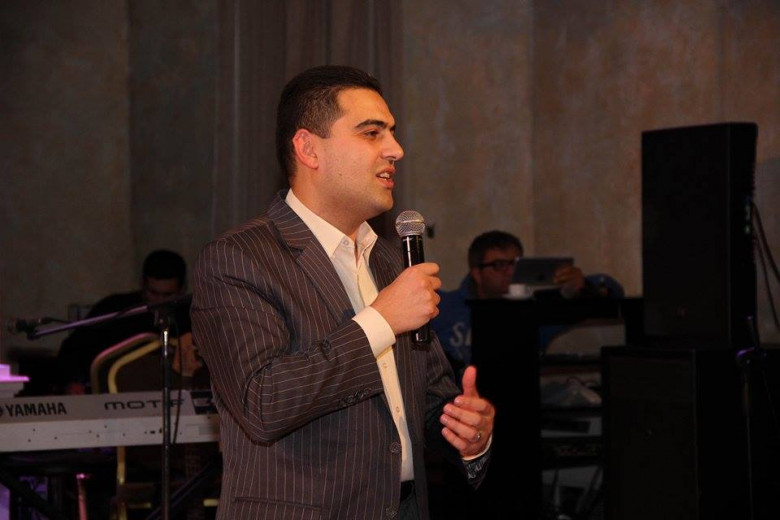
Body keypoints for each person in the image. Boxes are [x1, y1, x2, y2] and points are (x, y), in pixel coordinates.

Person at [190, 65, 495, 520]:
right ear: (308, 148)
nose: (395, 150)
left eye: (392, 132)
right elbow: (263, 402)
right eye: (372, 133)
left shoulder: (389, 261)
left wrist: (468, 434)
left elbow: (427, 401)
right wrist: (380, 321)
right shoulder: (238, 258)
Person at [433, 230, 624, 375]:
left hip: (520, 403)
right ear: (477, 273)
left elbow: (613, 291)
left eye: (516, 264)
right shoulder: (448, 308)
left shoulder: (531, 312)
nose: (510, 272)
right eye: (499, 265)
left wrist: (585, 287)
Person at [57, 249, 202, 395]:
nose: (160, 301)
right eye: (153, 293)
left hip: (180, 397)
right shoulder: (116, 309)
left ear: (182, 290)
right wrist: (73, 382)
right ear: (142, 284)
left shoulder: (195, 316)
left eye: (168, 295)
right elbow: (73, 349)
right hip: (114, 397)